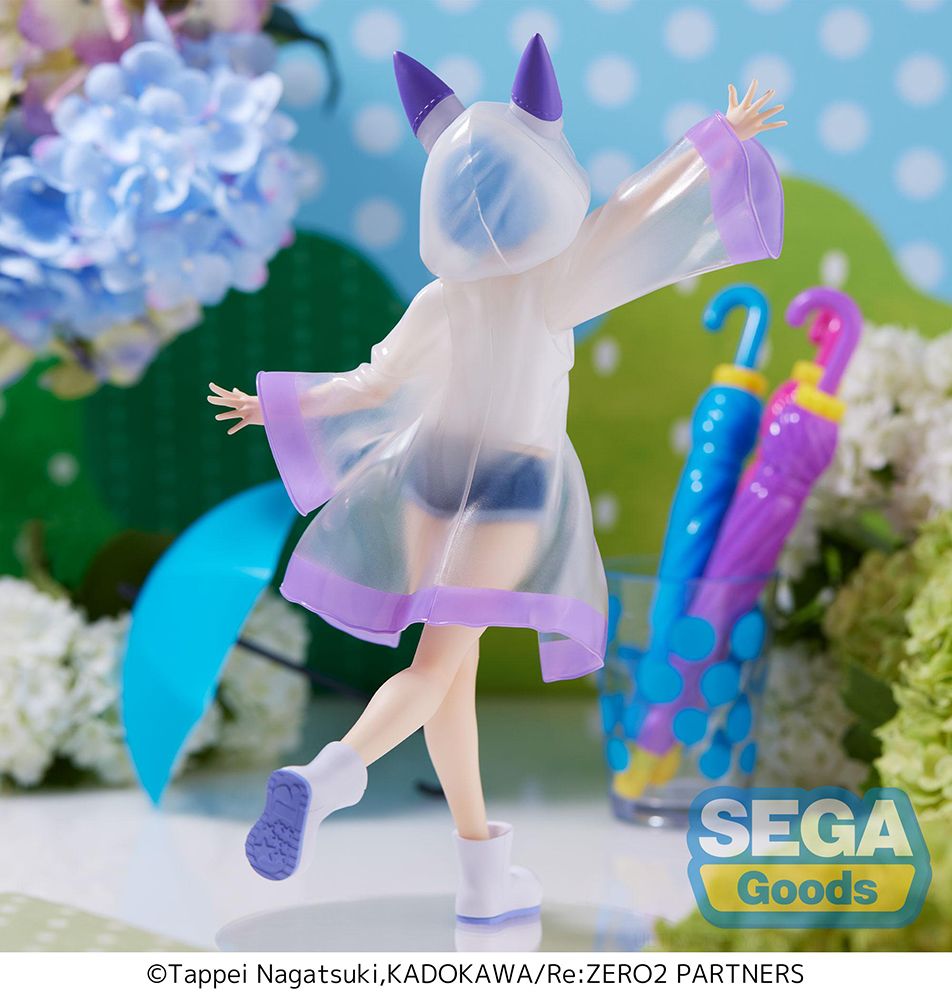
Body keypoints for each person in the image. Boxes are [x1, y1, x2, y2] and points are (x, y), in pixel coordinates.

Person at [208, 35, 786, 925]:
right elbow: (634, 212)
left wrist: (275, 404)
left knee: (453, 671)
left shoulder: (442, 296)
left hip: (427, 477)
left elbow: (371, 384)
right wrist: (718, 136)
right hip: (513, 485)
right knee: (440, 664)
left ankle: (483, 875)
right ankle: (330, 776)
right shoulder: (556, 282)